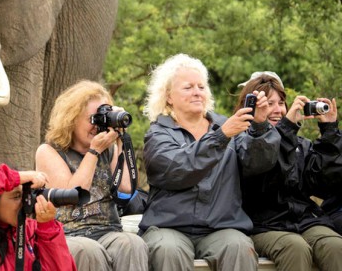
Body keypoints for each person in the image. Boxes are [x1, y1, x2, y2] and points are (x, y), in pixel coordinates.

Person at [139, 54, 280, 271]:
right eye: (188, 87)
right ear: (168, 97)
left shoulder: (227, 125)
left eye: (201, 86)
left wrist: (260, 128)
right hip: (169, 227)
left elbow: (258, 165)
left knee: (240, 247)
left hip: (221, 228)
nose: (197, 92)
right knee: (167, 250)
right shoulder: (158, 133)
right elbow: (178, 169)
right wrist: (221, 137)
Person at [35, 80, 149, 271]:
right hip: (70, 234)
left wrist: (121, 140)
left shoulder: (109, 149)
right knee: (90, 251)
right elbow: (73, 195)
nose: (97, 126)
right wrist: (94, 152)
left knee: (132, 243)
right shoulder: (48, 151)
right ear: (71, 119)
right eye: (93, 120)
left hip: (109, 231)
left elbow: (127, 188)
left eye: (102, 119)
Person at [236, 71, 342, 271]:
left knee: (336, 246)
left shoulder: (299, 144)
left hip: (303, 219)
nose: (277, 110)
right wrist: (286, 130)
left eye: (281, 103)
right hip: (262, 224)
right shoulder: (242, 142)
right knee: (296, 248)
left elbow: (324, 185)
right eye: (269, 103)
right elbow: (266, 179)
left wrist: (329, 132)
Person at [0, 163, 76, 270]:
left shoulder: (32, 230)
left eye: (25, 195)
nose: (25, 202)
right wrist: (17, 177)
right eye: (16, 196)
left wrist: (47, 227)